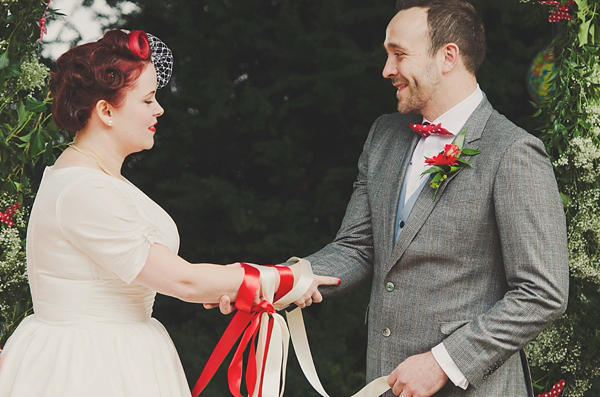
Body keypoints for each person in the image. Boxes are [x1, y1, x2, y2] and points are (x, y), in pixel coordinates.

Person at [213, 1, 569, 396]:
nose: (387, 69)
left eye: (398, 54)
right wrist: (271, 282)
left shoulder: (514, 150)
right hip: (384, 380)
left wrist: (443, 362)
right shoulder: (384, 135)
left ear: (447, 56)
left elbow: (542, 293)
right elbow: (357, 247)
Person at [0, 30, 338, 397]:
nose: (159, 109)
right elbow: (184, 281)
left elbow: (171, 278)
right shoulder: (85, 189)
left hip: (122, 350)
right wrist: (283, 280)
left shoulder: (95, 178)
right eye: (147, 99)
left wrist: (227, 286)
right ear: (106, 111)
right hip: (89, 367)